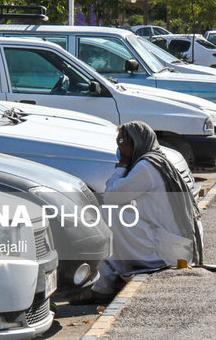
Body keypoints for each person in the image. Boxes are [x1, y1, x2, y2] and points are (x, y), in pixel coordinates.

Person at [71, 121, 203, 304]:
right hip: (175, 244)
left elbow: (111, 196)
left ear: (137, 142)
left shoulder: (146, 167)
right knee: (115, 217)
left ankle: (103, 286)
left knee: (106, 214)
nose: (119, 148)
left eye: (123, 143)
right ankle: (108, 281)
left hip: (168, 250)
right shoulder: (158, 161)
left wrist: (122, 163)